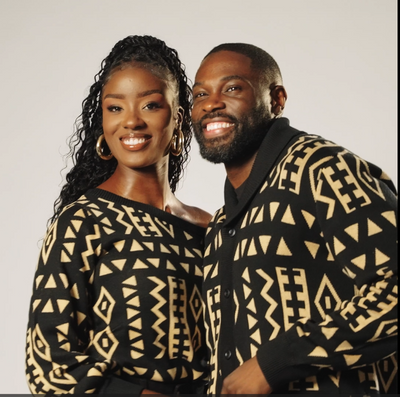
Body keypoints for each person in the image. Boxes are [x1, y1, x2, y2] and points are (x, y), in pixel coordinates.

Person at [191, 43, 398, 395]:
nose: (211, 104)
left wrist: (274, 363)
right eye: (200, 95)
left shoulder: (322, 169)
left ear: (277, 100)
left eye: (232, 88)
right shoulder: (221, 224)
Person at [25, 35, 212, 395]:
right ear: (102, 122)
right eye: (115, 108)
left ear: (177, 118)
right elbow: (48, 366)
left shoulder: (210, 228)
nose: (131, 122)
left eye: (150, 105)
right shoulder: (83, 223)